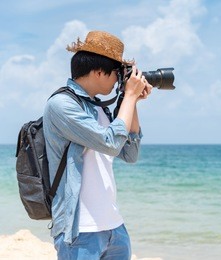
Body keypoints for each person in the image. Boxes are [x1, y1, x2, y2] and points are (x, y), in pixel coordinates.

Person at [43, 31, 152, 259]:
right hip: (80, 230)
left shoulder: (98, 108)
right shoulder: (61, 105)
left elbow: (130, 154)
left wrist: (131, 101)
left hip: (114, 228)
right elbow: (111, 143)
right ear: (99, 72)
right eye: (116, 73)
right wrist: (129, 97)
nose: (118, 80)